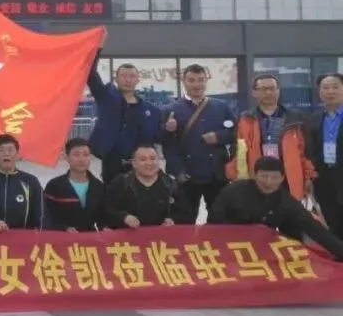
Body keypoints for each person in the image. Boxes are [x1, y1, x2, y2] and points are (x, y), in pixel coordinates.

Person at [209, 156, 343, 261]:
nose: (269, 182)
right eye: (264, 176)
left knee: (295, 226)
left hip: (263, 245)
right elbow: (213, 222)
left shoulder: (285, 201)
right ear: (255, 175)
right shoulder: (233, 192)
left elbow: (314, 228)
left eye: (274, 178)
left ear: (282, 178)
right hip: (231, 244)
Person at [161, 64, 237, 218]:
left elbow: (236, 132)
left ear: (206, 81)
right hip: (187, 175)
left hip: (217, 173)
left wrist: (218, 137)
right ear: (184, 82)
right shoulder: (171, 110)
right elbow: (167, 145)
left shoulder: (221, 107)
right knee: (184, 221)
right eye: (191, 80)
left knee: (221, 220)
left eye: (200, 80)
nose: (196, 84)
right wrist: (177, 170)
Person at [226, 73, 312, 201]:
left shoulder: (295, 118)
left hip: (287, 177)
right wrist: (234, 175)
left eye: (272, 88)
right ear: (254, 92)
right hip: (257, 177)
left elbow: (305, 152)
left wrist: (309, 176)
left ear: (278, 90)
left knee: (288, 211)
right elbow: (237, 151)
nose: (268, 92)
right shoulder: (245, 119)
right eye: (263, 89)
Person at [87, 54, 162, 185]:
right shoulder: (106, 97)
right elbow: (90, 73)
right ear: (116, 78)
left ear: (137, 80)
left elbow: (158, 136)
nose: (128, 79)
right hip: (111, 163)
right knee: (112, 194)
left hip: (140, 165)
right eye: (124, 76)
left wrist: (169, 129)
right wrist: (97, 48)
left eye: (132, 76)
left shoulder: (149, 110)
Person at [106, 145, 190, 229]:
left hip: (161, 235)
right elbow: (107, 210)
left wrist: (172, 220)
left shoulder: (171, 184)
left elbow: (185, 214)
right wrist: (124, 217)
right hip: (128, 235)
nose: (149, 163)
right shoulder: (121, 182)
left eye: (153, 159)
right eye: (143, 159)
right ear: (134, 163)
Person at [305, 73, 343, 236]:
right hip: (324, 178)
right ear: (319, 92)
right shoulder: (312, 119)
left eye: (335, 87)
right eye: (325, 88)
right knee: (331, 224)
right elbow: (309, 150)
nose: (330, 91)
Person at [44, 137, 107, 232]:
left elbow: (102, 217)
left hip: (90, 238)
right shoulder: (54, 186)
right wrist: (64, 228)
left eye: (86, 155)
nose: (81, 159)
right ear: (66, 157)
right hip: (61, 238)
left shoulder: (98, 186)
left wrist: (104, 228)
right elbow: (47, 216)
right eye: (76, 155)